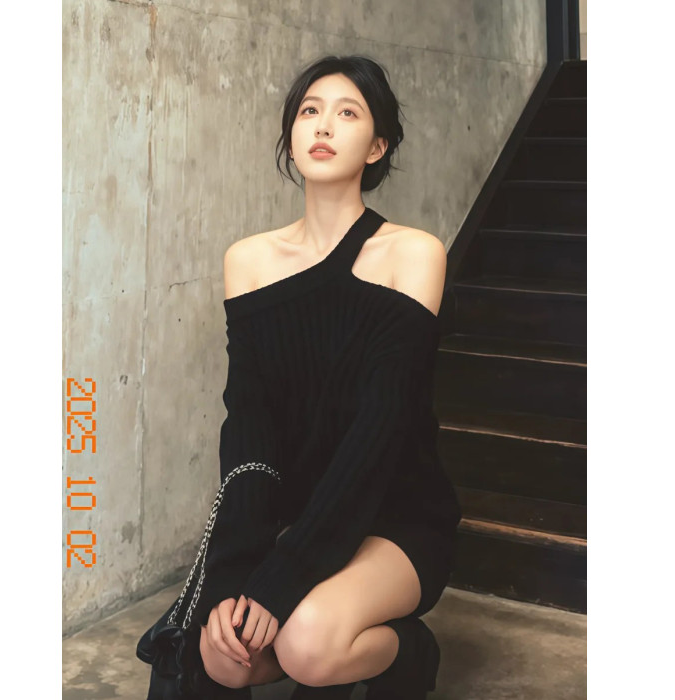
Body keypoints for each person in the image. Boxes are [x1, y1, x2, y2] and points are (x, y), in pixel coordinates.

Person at [136, 54, 462, 700]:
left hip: (397, 517)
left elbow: (378, 435)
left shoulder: (413, 254)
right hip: (301, 514)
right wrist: (234, 576)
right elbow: (249, 427)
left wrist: (287, 573)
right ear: (291, 136)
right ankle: (317, 630)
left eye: (348, 113)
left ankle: (409, 653)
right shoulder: (249, 261)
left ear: (378, 146)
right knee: (224, 657)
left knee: (306, 640)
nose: (324, 125)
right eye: (310, 110)